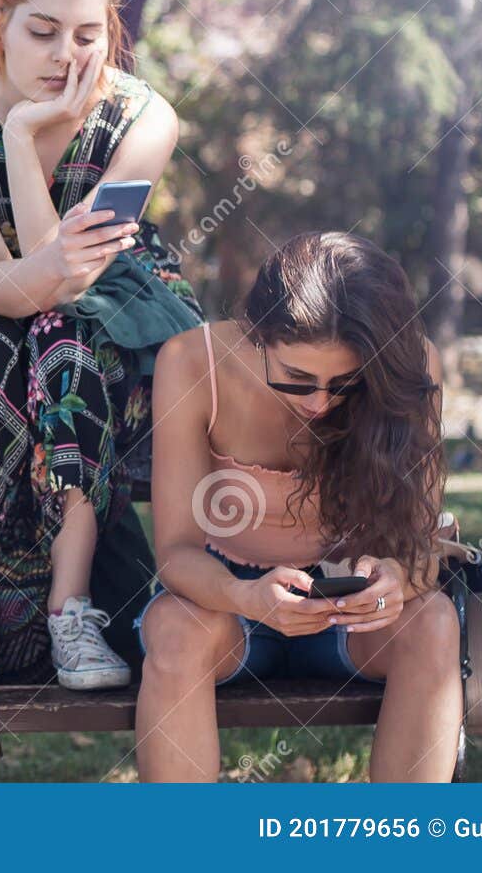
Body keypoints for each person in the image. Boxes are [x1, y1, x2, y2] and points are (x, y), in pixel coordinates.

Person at [0, 0, 202, 686]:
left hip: (117, 326)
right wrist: (9, 135)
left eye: (86, 34)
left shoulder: (145, 119)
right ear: (0, 24)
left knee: (68, 337)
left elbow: (73, 279)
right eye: (42, 32)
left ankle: (73, 615)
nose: (66, 57)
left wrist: (23, 147)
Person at [139, 232, 460, 782]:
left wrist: (396, 578)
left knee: (433, 623)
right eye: (297, 379)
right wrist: (244, 594)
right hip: (226, 598)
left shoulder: (409, 365)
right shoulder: (193, 361)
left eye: (345, 382)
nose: (319, 402)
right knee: (175, 629)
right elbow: (175, 552)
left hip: (352, 599)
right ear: (258, 335)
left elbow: (420, 546)